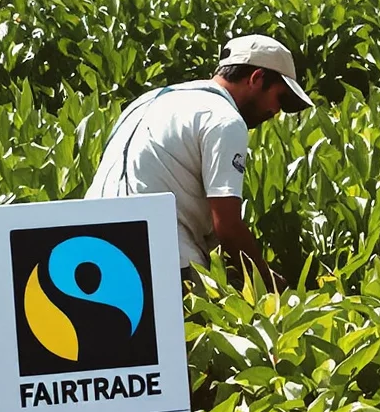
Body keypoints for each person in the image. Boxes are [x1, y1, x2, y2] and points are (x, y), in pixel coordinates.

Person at [87, 33, 312, 278]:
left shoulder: (146, 101)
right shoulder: (224, 119)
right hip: (161, 262)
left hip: (92, 252)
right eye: (280, 98)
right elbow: (227, 228)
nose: (276, 111)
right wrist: (271, 288)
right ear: (256, 79)